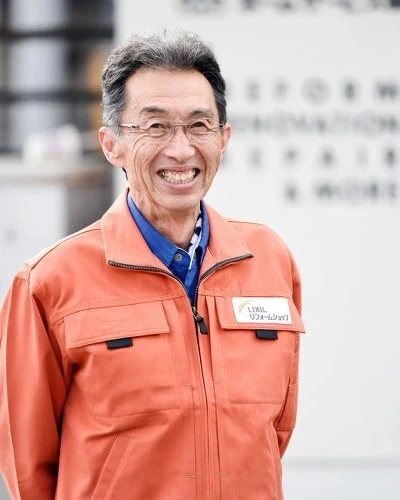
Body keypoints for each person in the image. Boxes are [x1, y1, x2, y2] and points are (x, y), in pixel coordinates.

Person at [0, 30, 304, 500]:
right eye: (156, 126)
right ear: (112, 144)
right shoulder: (49, 281)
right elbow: (28, 467)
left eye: (199, 125)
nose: (181, 149)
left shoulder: (269, 259)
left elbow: (271, 433)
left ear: (223, 139)